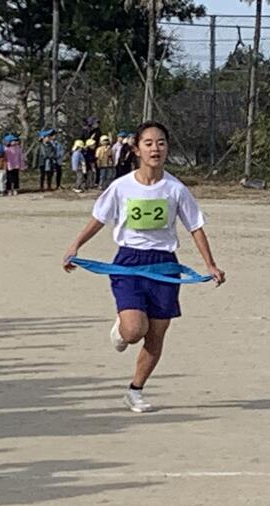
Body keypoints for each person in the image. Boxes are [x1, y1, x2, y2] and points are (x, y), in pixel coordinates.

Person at [62, 121, 226, 413]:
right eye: (148, 143)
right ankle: (123, 328)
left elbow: (195, 227)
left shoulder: (175, 188)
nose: (155, 149)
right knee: (134, 331)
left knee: (156, 334)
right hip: (129, 262)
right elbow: (99, 219)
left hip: (164, 266)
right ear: (137, 149)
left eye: (161, 143)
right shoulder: (121, 187)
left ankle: (135, 390)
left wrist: (210, 265)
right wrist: (75, 246)